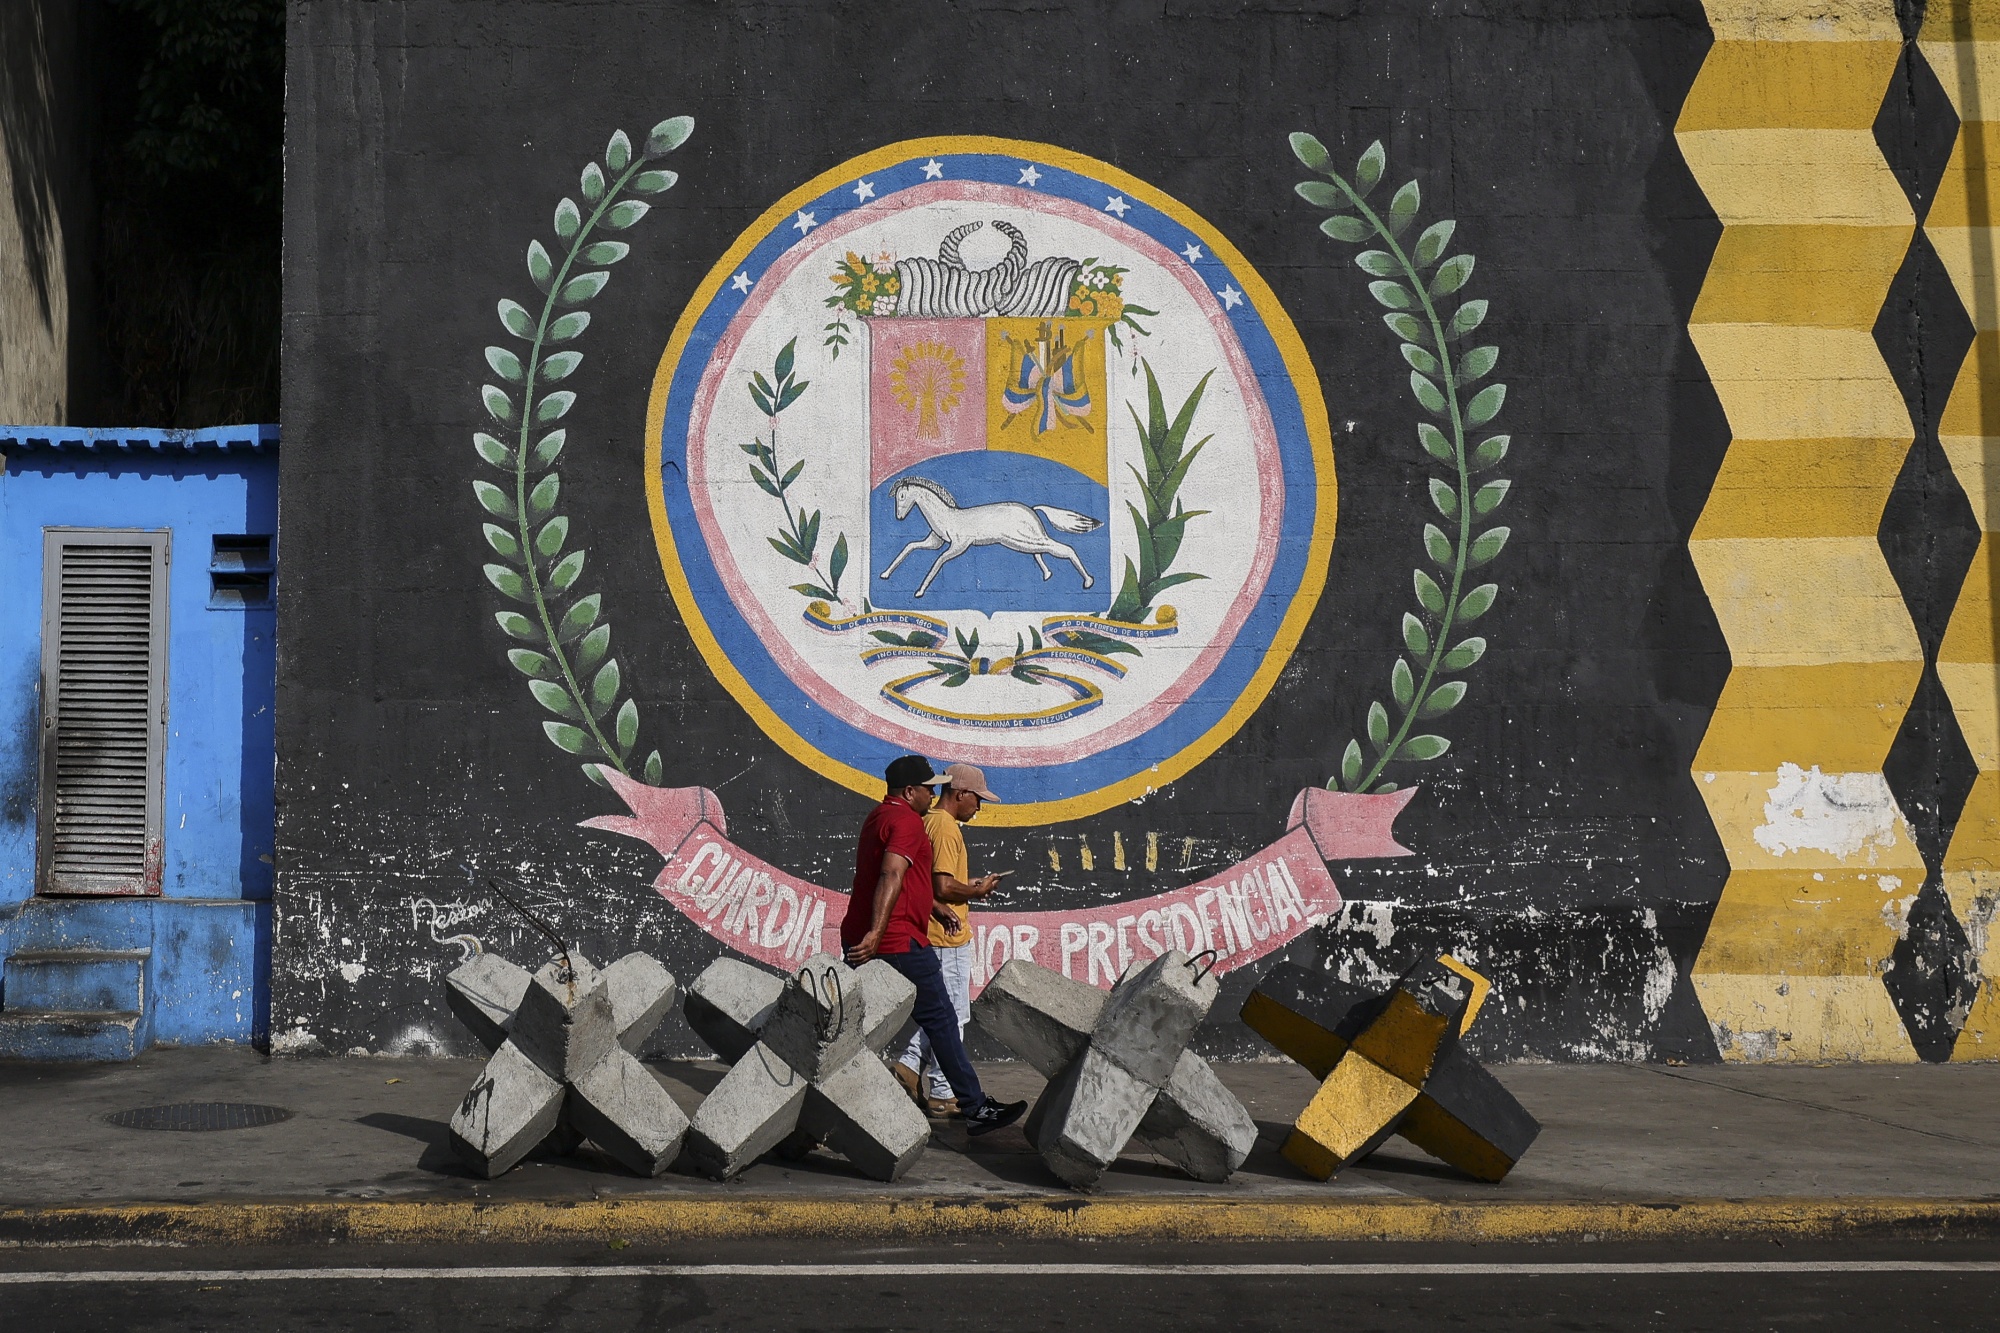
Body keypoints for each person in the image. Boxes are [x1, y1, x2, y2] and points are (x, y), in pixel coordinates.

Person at [843, 754, 1026, 1136]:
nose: (932, 793)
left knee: (854, 1025)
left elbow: (904, 881)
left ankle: (838, 1105)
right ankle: (973, 1106)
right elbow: (892, 874)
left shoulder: (878, 817)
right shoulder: (910, 821)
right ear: (909, 792)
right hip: (898, 940)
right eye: (928, 788)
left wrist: (933, 907)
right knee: (943, 1019)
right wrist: (877, 934)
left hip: (870, 935)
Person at [891, 762, 1002, 1117]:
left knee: (944, 1014)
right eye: (977, 799)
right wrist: (977, 889)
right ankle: (941, 1090)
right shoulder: (943, 826)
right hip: (945, 938)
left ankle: (911, 1070)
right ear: (960, 794)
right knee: (951, 1017)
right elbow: (942, 884)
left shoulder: (934, 823)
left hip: (940, 934)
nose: (979, 807)